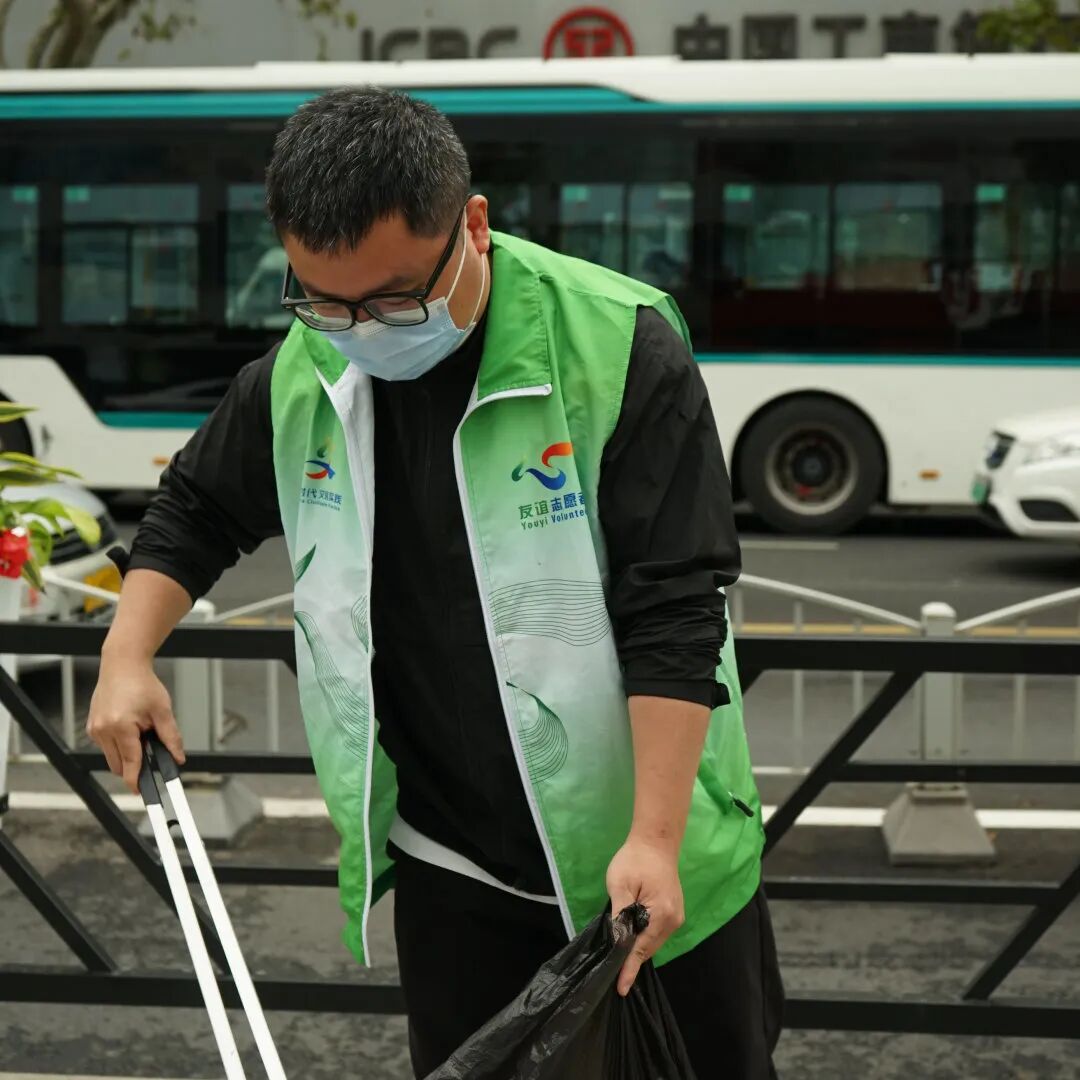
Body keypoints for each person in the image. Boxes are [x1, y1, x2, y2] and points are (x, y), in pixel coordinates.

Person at [87, 87, 783, 1078]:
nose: (364, 330)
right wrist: (126, 658)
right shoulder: (308, 364)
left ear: (475, 227)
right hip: (452, 859)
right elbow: (194, 510)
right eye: (324, 299)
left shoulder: (617, 344)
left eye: (397, 297)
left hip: (642, 860)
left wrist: (654, 839)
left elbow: (674, 606)